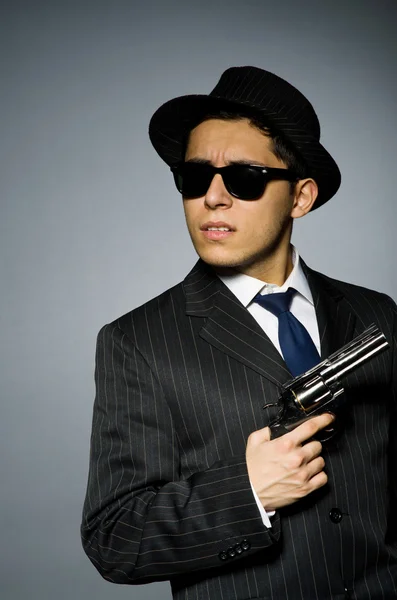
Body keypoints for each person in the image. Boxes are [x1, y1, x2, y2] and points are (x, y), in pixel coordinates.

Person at [81, 66, 397, 599]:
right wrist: (247, 492)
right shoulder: (137, 341)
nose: (213, 198)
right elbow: (114, 539)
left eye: (245, 178)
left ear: (300, 198)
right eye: (195, 177)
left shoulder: (377, 315)